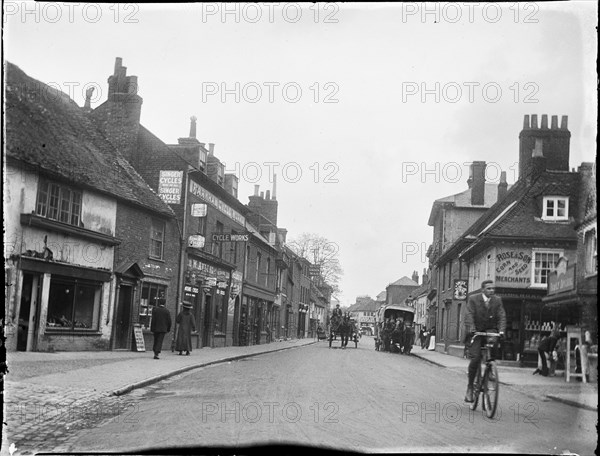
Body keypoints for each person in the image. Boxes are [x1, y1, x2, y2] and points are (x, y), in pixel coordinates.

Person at [463, 280, 506, 403]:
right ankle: (470, 387)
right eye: (488, 289)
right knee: (475, 358)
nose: (491, 291)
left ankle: (490, 367)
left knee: (495, 343)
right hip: (476, 331)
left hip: (489, 330)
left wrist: (501, 330)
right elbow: (469, 314)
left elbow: (502, 316)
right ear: (482, 290)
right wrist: (471, 328)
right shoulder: (473, 299)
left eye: (493, 289)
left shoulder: (497, 300)